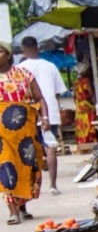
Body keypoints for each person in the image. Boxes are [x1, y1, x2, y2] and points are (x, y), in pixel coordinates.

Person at [0, 41, 47, 224]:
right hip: (2, 134)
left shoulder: (24, 75)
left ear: (9, 54)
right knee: (5, 167)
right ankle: (12, 210)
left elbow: (39, 98)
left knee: (27, 167)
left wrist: (45, 118)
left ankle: (22, 207)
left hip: (25, 131)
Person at [16, 36, 64, 194]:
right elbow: (58, 94)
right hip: (49, 112)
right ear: (38, 48)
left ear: (23, 50)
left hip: (28, 114)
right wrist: (54, 112)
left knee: (28, 150)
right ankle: (53, 185)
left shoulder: (19, 69)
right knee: (50, 147)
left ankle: (29, 187)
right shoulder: (50, 66)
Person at [73, 66, 98, 147]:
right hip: (86, 107)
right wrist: (96, 103)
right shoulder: (86, 81)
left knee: (80, 126)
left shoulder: (75, 82)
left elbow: (74, 97)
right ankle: (90, 142)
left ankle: (82, 143)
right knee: (89, 124)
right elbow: (91, 94)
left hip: (79, 107)